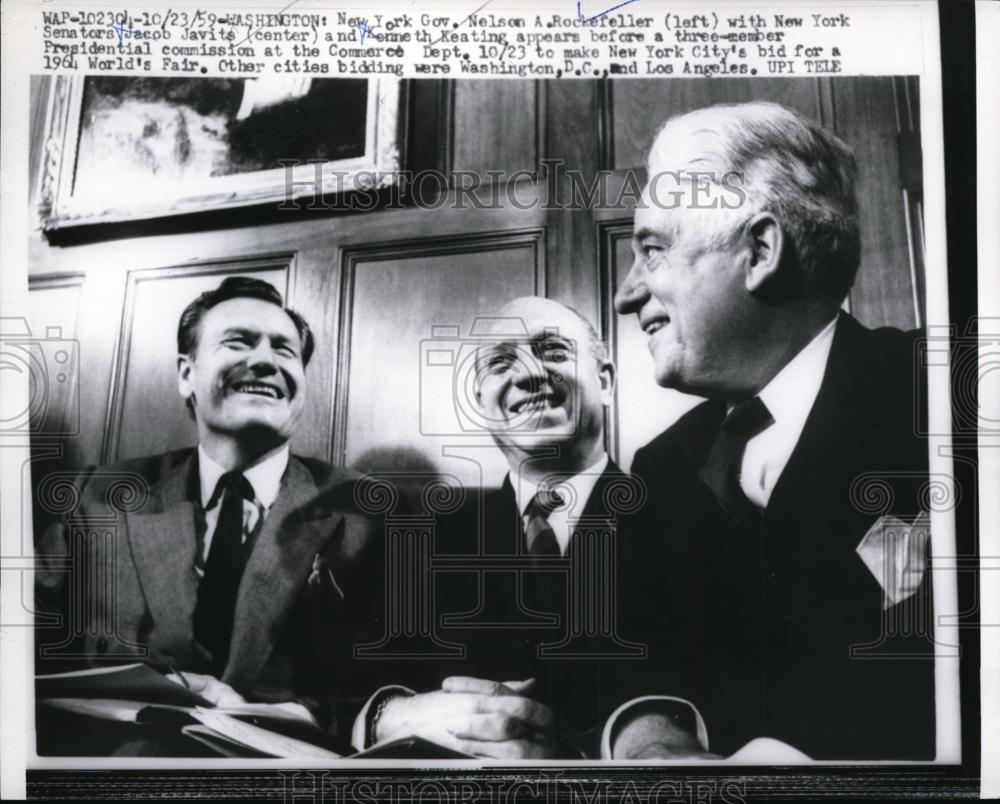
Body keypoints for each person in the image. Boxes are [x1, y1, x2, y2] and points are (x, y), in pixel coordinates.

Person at [608, 102, 935, 760]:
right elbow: (632, 660)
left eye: (651, 251)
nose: (626, 294)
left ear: (759, 251)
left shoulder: (944, 400)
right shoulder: (660, 467)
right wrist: (647, 737)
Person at [34, 276, 384, 754]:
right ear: (186, 374)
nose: (265, 360)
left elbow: (393, 683)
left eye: (285, 350)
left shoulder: (368, 510)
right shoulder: (97, 497)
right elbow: (23, 647)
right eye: (238, 341)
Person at [354, 296, 650, 758]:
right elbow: (352, 689)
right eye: (500, 363)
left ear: (606, 381)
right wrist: (389, 715)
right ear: (480, 402)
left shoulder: (678, 517)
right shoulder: (424, 543)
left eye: (553, 352)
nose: (528, 374)